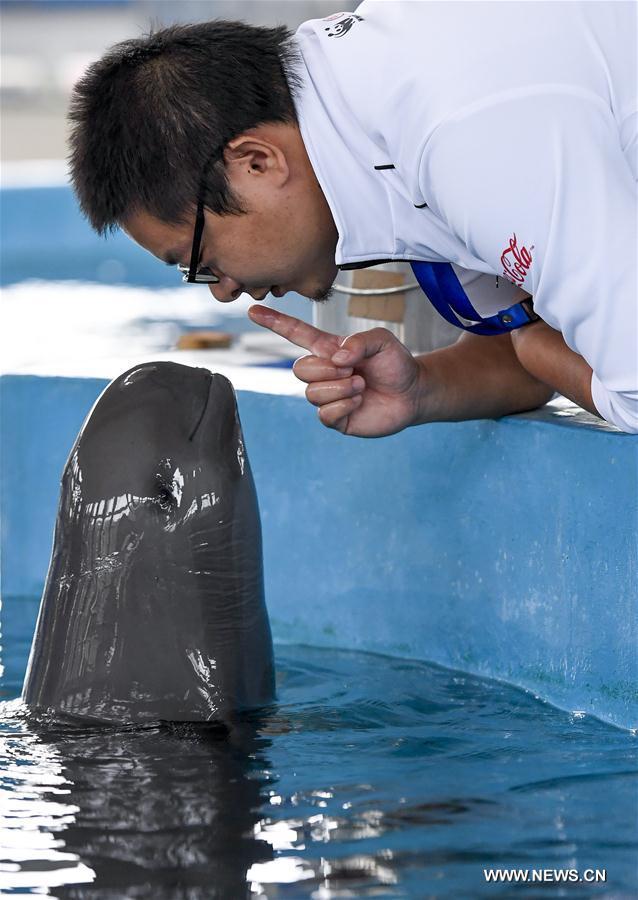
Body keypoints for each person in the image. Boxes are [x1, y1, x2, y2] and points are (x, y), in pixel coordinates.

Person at [68, 2, 637, 436]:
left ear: (256, 161)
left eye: (200, 261)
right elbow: (560, 353)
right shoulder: (369, 94)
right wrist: (424, 389)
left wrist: (532, 340)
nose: (223, 293)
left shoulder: (458, 136)